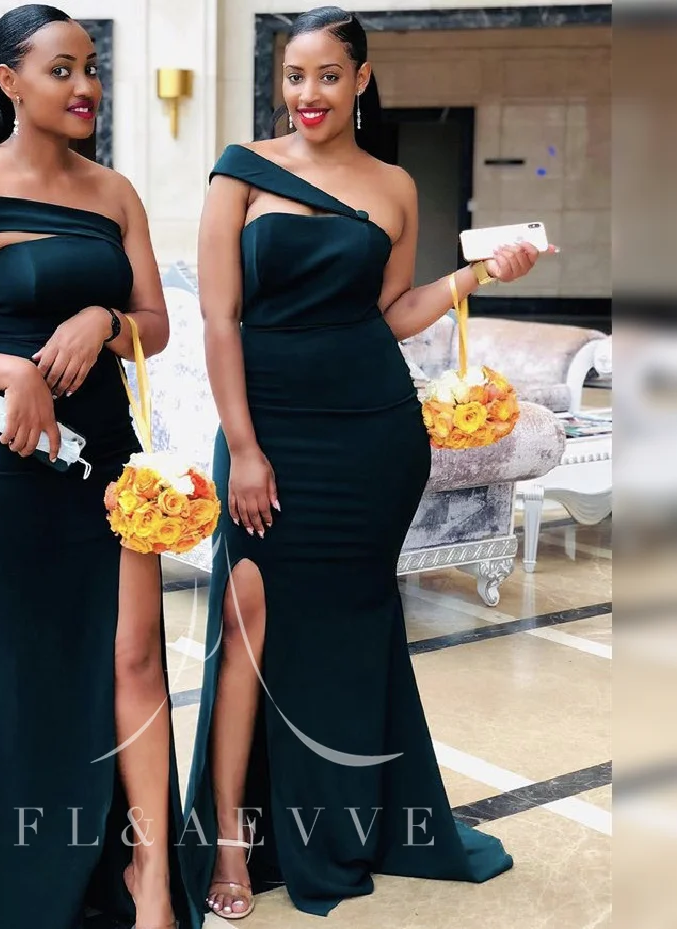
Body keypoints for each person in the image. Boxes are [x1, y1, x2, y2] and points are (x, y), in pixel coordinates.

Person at [183, 5, 555, 921]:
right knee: (246, 628)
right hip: (268, 432)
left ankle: (345, 820)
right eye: (293, 76)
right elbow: (218, 320)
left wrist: (480, 275)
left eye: (326, 75)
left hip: (371, 435)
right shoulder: (240, 170)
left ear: (361, 79)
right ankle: (231, 842)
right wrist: (243, 448)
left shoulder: (393, 186)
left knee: (349, 633)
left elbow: (389, 313)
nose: (307, 94)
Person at [0, 6, 197, 928]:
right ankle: (8, 894)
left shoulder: (114, 194)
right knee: (12, 679)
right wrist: (11, 370)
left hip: (107, 463)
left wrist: (101, 321)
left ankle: (150, 882)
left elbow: (154, 324)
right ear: (9, 83)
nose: (84, 87)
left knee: (135, 659)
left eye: (90, 68)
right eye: (60, 69)